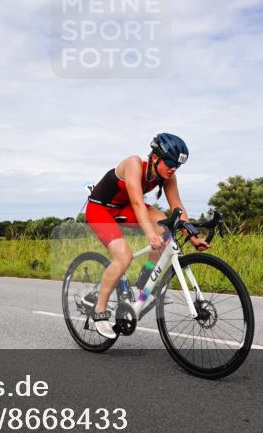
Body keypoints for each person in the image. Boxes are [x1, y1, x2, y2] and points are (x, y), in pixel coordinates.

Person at [85, 133, 209, 338]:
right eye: (169, 162)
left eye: (177, 166)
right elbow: (137, 203)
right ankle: (99, 310)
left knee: (165, 228)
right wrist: (150, 234)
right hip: (100, 210)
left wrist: (193, 235)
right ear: (154, 157)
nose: (172, 168)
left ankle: (145, 280)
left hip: (123, 207)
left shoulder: (168, 176)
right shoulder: (134, 164)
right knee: (123, 257)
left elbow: (177, 207)